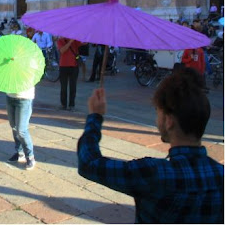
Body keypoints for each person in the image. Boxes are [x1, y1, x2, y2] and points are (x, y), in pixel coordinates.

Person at [77, 69, 224, 223]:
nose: (157, 119)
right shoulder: (220, 175)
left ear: (169, 121)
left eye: (158, 112)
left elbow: (89, 163)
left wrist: (95, 116)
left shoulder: (153, 173)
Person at [5, 84, 36, 171]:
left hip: (24, 98)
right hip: (10, 96)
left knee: (21, 130)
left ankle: (30, 157)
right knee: (14, 126)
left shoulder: (28, 70)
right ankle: (20, 153)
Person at [57, 37, 83, 111]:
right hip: (63, 66)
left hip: (74, 66)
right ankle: (63, 104)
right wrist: (70, 42)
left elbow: (84, 43)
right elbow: (62, 51)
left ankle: (72, 105)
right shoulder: (60, 41)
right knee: (63, 87)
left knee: (73, 86)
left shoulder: (75, 40)